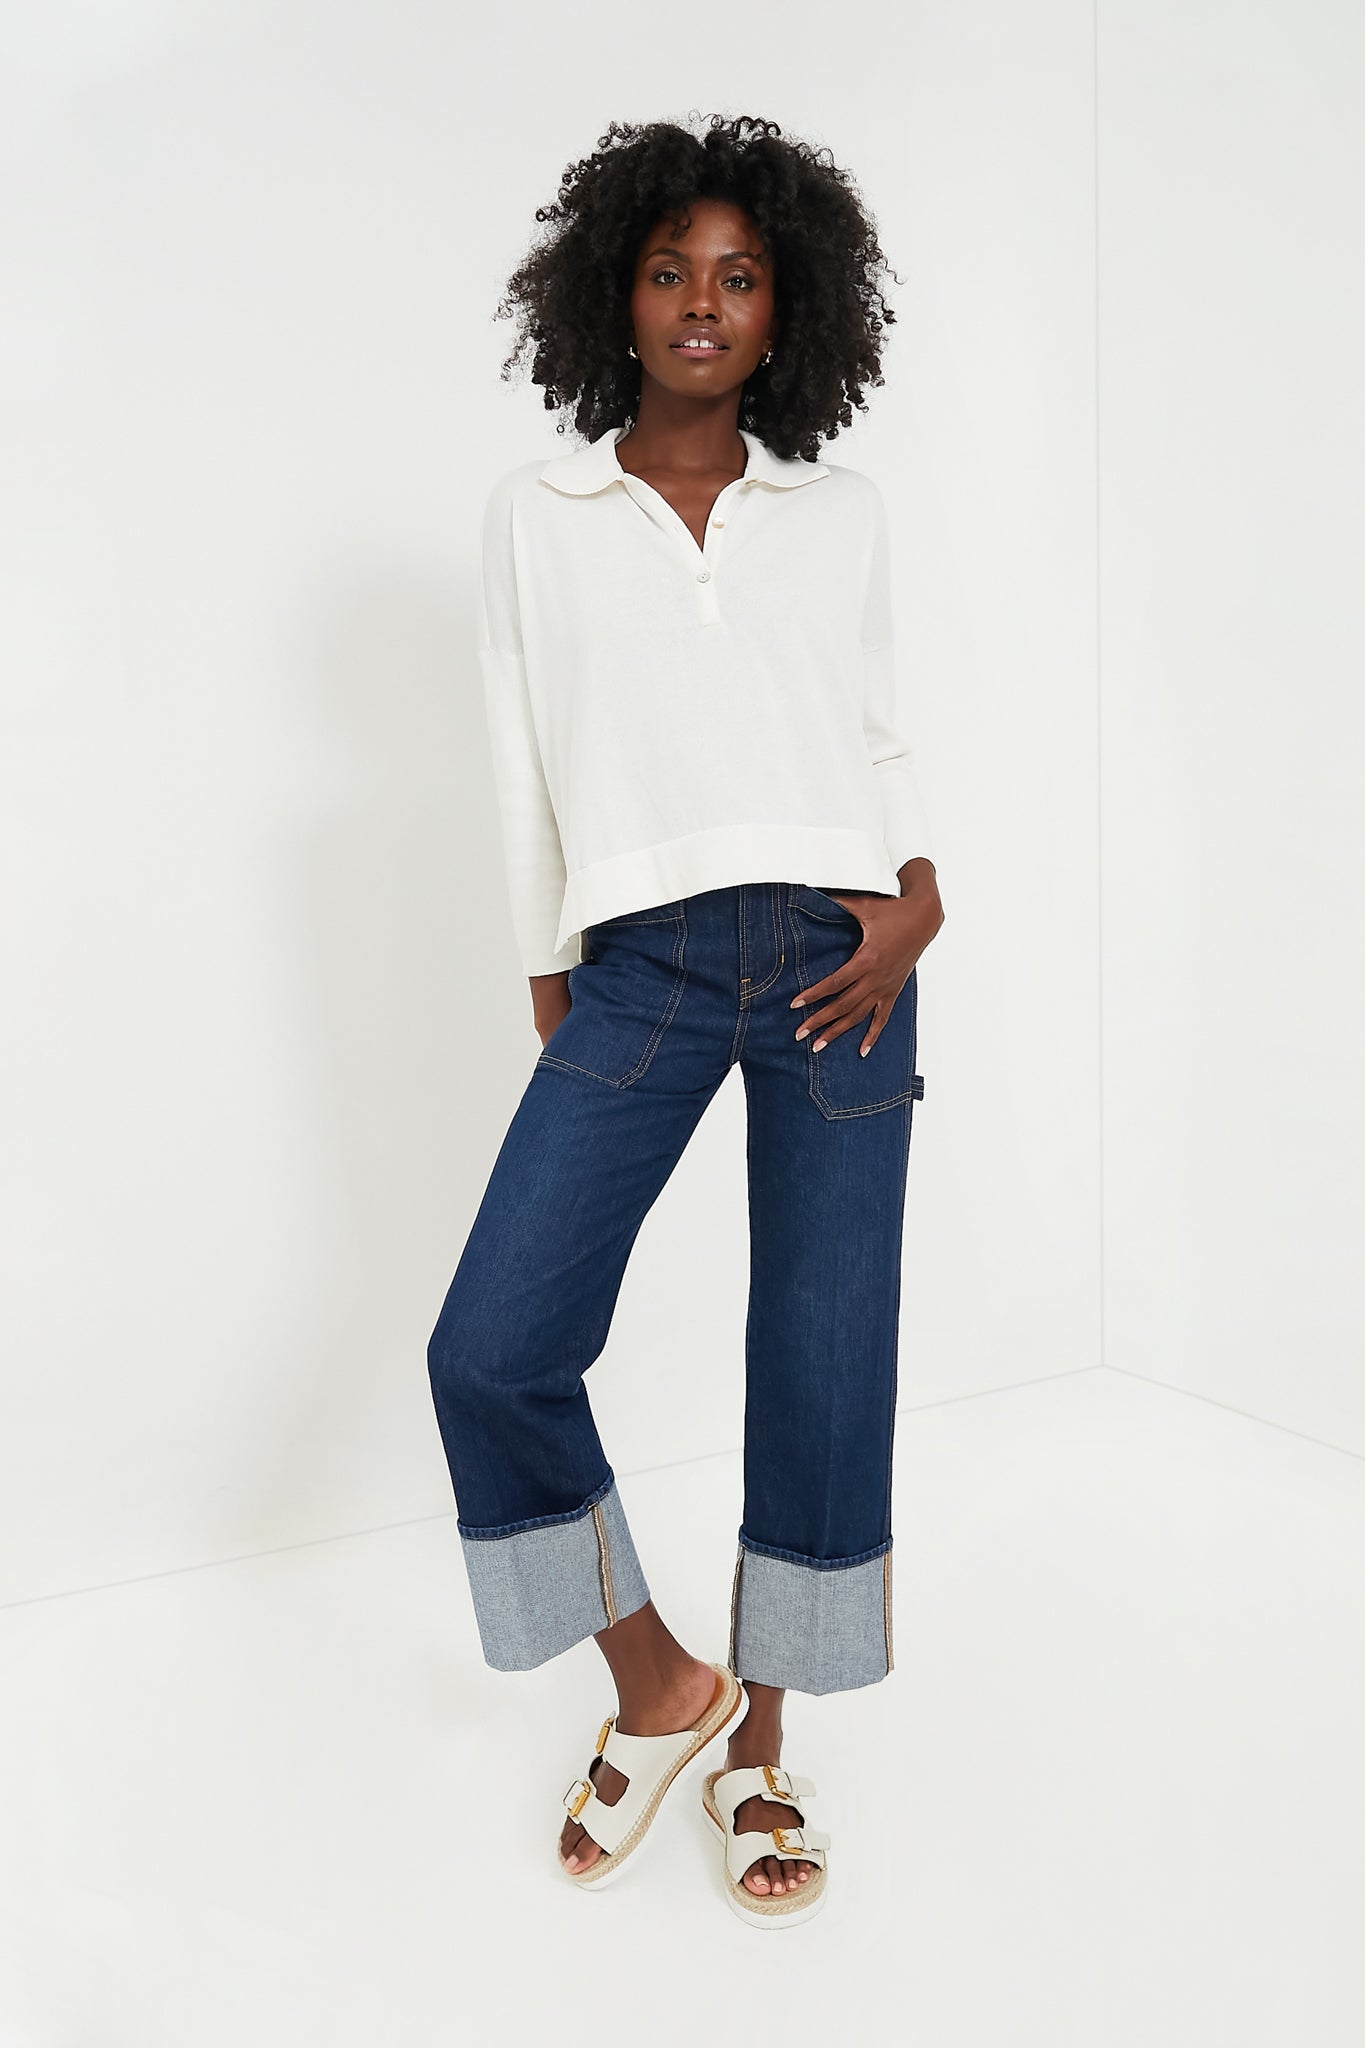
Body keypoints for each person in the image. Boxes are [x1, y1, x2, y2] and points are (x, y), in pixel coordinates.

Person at [426, 111, 945, 1927]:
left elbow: (872, 735)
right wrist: (552, 978)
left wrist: (921, 896)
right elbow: (521, 765)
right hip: (637, 966)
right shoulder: (538, 516)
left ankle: (758, 1751)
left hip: (841, 957)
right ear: (615, 297)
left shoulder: (837, 512)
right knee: (491, 1348)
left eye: (736, 275)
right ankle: (661, 1684)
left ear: (788, 307)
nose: (700, 302)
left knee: (820, 1361)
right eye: (668, 271)